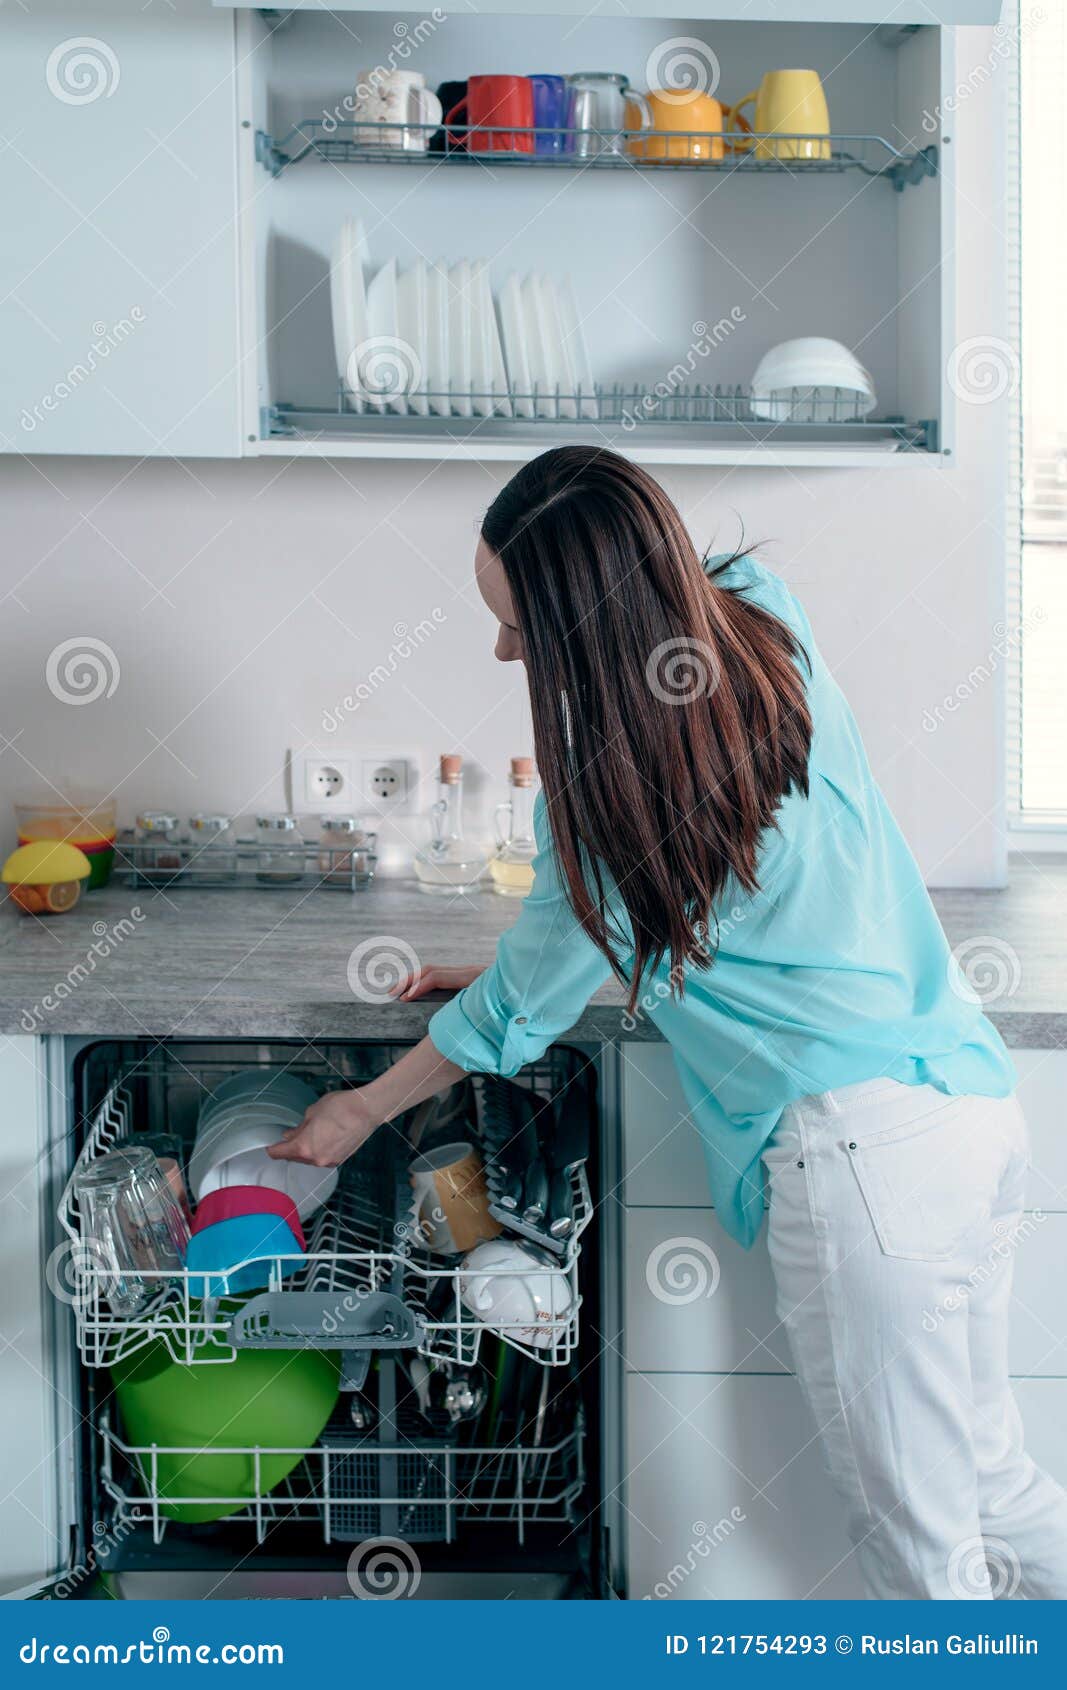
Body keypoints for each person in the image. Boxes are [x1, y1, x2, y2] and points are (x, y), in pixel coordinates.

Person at [270, 446, 1067, 1600]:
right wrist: (530, 949)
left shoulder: (597, 792)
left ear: (580, 628)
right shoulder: (762, 622)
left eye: (520, 627)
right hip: (965, 1108)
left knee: (922, 1554)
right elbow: (656, 909)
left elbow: (516, 1015)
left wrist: (357, 1109)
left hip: (864, 1167)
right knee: (992, 1488)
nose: (504, 652)